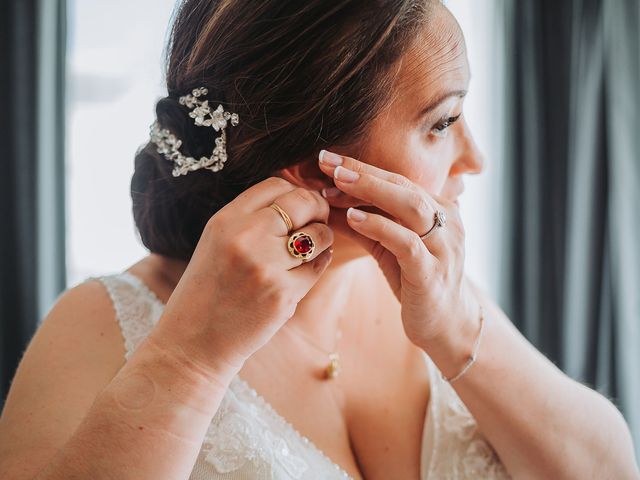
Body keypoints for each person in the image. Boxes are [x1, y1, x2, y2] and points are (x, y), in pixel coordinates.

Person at [1, 0, 638, 478]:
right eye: (442, 122)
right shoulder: (106, 323)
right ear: (313, 167)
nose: (474, 159)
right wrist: (189, 362)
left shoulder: (428, 285)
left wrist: (460, 331)